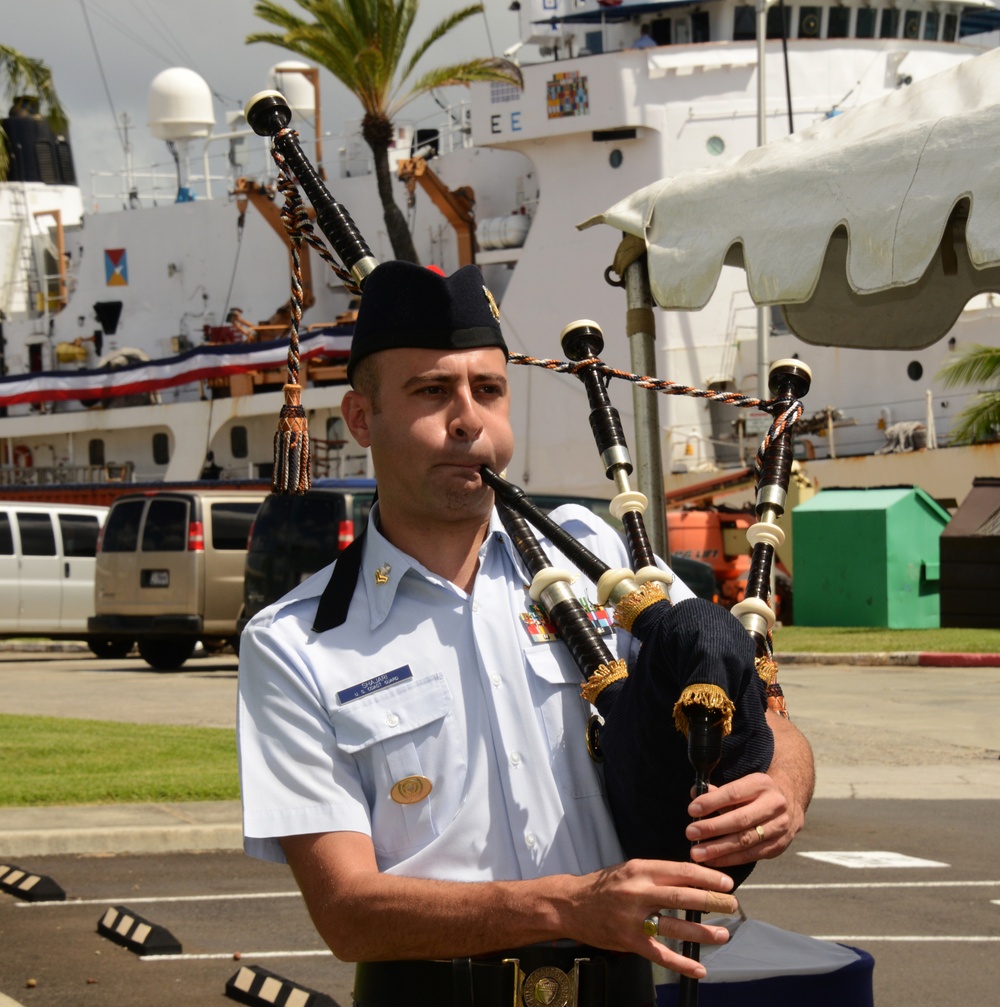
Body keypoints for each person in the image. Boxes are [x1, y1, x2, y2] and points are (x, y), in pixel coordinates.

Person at [237, 262, 815, 1007]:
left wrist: (782, 785)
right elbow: (348, 912)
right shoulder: (296, 642)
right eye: (431, 390)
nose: (469, 419)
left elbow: (756, 700)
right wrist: (569, 906)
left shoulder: (595, 557)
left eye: (489, 389)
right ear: (358, 418)